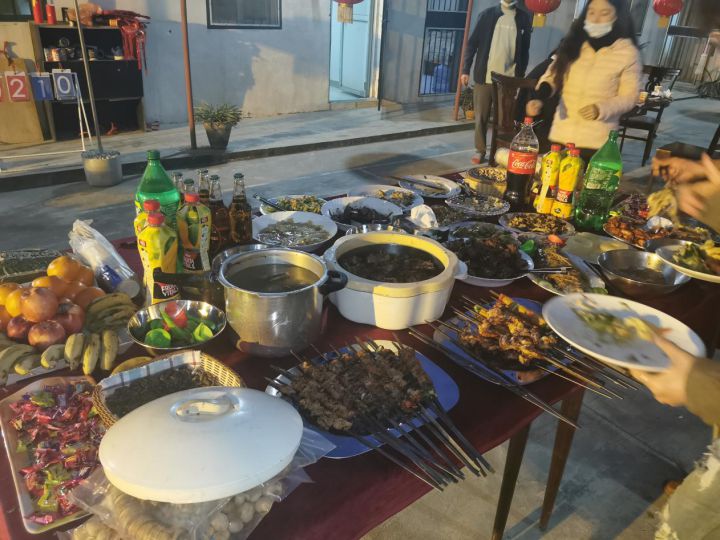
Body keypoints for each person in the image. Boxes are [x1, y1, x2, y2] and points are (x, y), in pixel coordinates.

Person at [526, 0, 641, 162]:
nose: (596, 19)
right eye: (591, 12)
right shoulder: (574, 44)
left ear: (618, 17)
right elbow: (552, 75)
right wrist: (540, 97)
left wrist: (600, 108)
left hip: (595, 140)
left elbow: (629, 97)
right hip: (561, 133)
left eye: (604, 13)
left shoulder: (627, 53)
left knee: (582, 177)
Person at [460, 0, 532, 165]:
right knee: (481, 117)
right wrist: (465, 69)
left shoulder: (523, 18)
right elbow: (472, 44)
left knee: (504, 121)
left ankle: (499, 152)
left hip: (508, 81)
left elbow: (525, 51)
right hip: (484, 77)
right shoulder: (487, 15)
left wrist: (520, 77)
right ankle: (480, 150)